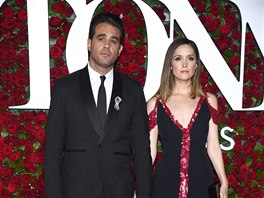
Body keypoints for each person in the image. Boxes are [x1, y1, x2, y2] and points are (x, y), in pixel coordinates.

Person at [44, 12, 152, 198]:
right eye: (101, 38)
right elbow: (52, 151)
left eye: (114, 41)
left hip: (119, 190)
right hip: (75, 190)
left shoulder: (132, 91)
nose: (107, 45)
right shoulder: (65, 88)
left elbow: (142, 152)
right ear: (89, 43)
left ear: (119, 49)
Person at [147, 38, 228, 198]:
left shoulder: (209, 101)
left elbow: (213, 146)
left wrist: (224, 180)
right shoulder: (155, 104)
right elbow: (150, 152)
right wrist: (142, 185)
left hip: (202, 179)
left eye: (190, 58)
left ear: (196, 64)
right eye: (178, 58)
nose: (184, 64)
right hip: (165, 181)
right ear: (170, 65)